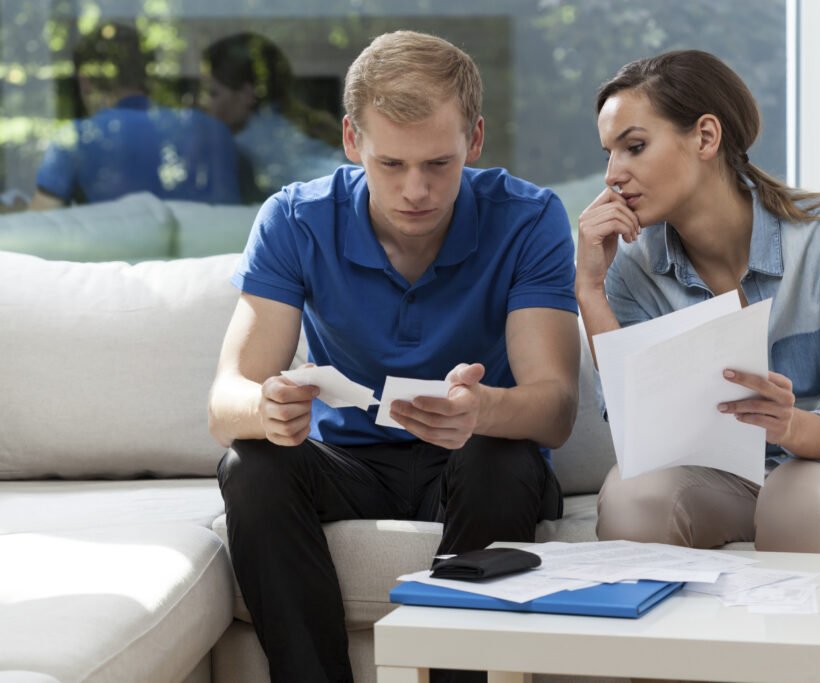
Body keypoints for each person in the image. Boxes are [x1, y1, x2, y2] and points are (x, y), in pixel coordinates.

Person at [208, 31, 580, 683]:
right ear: (353, 142)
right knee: (251, 461)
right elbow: (224, 402)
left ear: (476, 139)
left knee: (504, 454)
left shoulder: (530, 218)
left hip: (473, 458)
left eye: (439, 163)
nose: (416, 190)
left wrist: (486, 406)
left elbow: (554, 411)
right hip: (348, 461)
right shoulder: (294, 220)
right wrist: (266, 406)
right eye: (391, 165)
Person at [576, 50, 820, 555]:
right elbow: (635, 434)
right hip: (732, 482)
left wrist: (791, 425)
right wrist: (589, 289)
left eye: (633, 147)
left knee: (795, 496)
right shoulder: (630, 264)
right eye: (608, 154)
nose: (613, 174)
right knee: (632, 495)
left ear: (705, 136)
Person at [32, 23, 242, 209]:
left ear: (84, 81)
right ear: (146, 74)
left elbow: (40, 223)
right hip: (214, 253)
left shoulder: (76, 138)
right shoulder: (212, 130)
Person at [201, 32, 345, 200]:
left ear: (246, 94)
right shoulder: (285, 126)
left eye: (212, 93)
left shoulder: (251, 145)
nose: (203, 102)